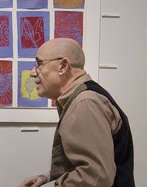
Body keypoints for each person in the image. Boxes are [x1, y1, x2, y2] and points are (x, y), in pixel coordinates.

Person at [20, 38, 135, 187]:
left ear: (63, 66)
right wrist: (47, 177)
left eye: (39, 64)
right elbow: (89, 164)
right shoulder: (83, 98)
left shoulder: (85, 103)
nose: (32, 73)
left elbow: (97, 177)